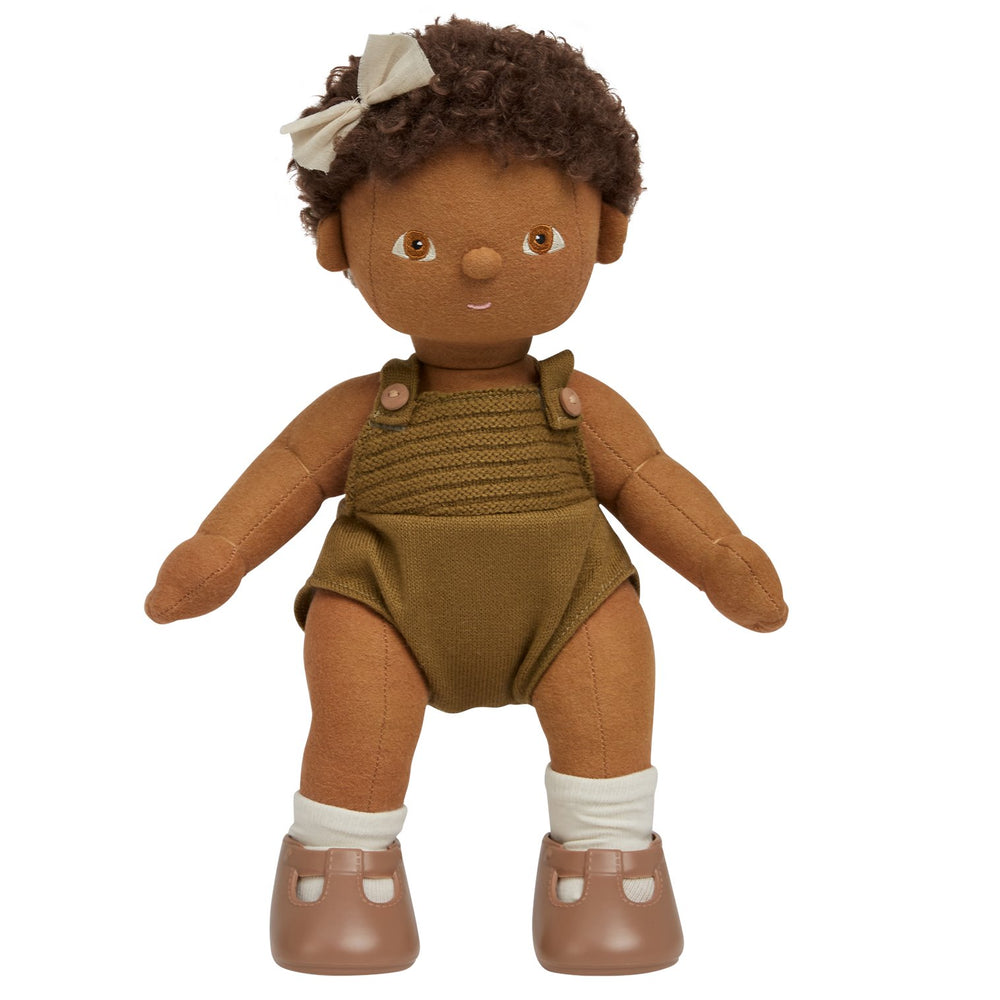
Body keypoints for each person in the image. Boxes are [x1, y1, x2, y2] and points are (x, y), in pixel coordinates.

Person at [146, 17, 787, 976]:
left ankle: (607, 873)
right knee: (356, 724)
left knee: (609, 695)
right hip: (385, 600)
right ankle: (342, 878)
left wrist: (720, 558)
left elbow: (652, 482)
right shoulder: (361, 411)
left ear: (604, 231)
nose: (482, 264)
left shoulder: (579, 406)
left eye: (537, 237)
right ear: (340, 243)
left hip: (568, 599)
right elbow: (288, 473)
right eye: (414, 241)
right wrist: (219, 553)